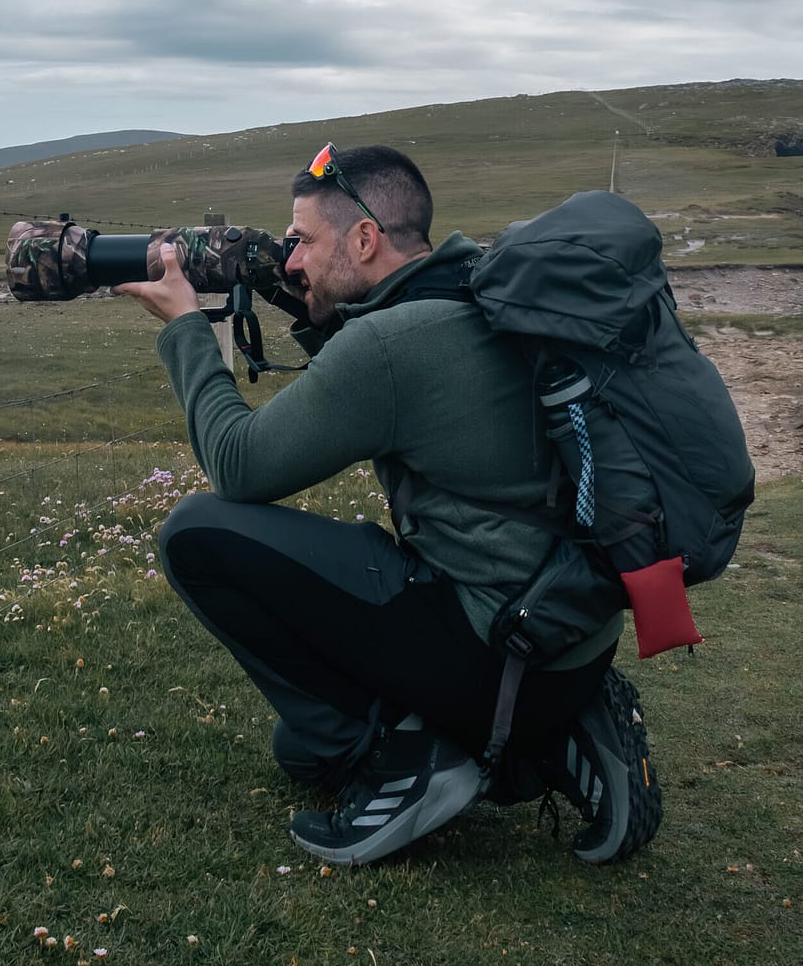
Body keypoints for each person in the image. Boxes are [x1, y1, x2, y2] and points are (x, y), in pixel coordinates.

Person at [114, 143, 662, 866]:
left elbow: (240, 465)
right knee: (301, 750)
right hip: (570, 638)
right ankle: (567, 730)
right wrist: (314, 306)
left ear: (365, 238)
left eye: (303, 241)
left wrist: (188, 327)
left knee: (195, 532)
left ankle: (416, 763)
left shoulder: (392, 342)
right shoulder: (476, 289)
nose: (291, 263)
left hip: (495, 645)